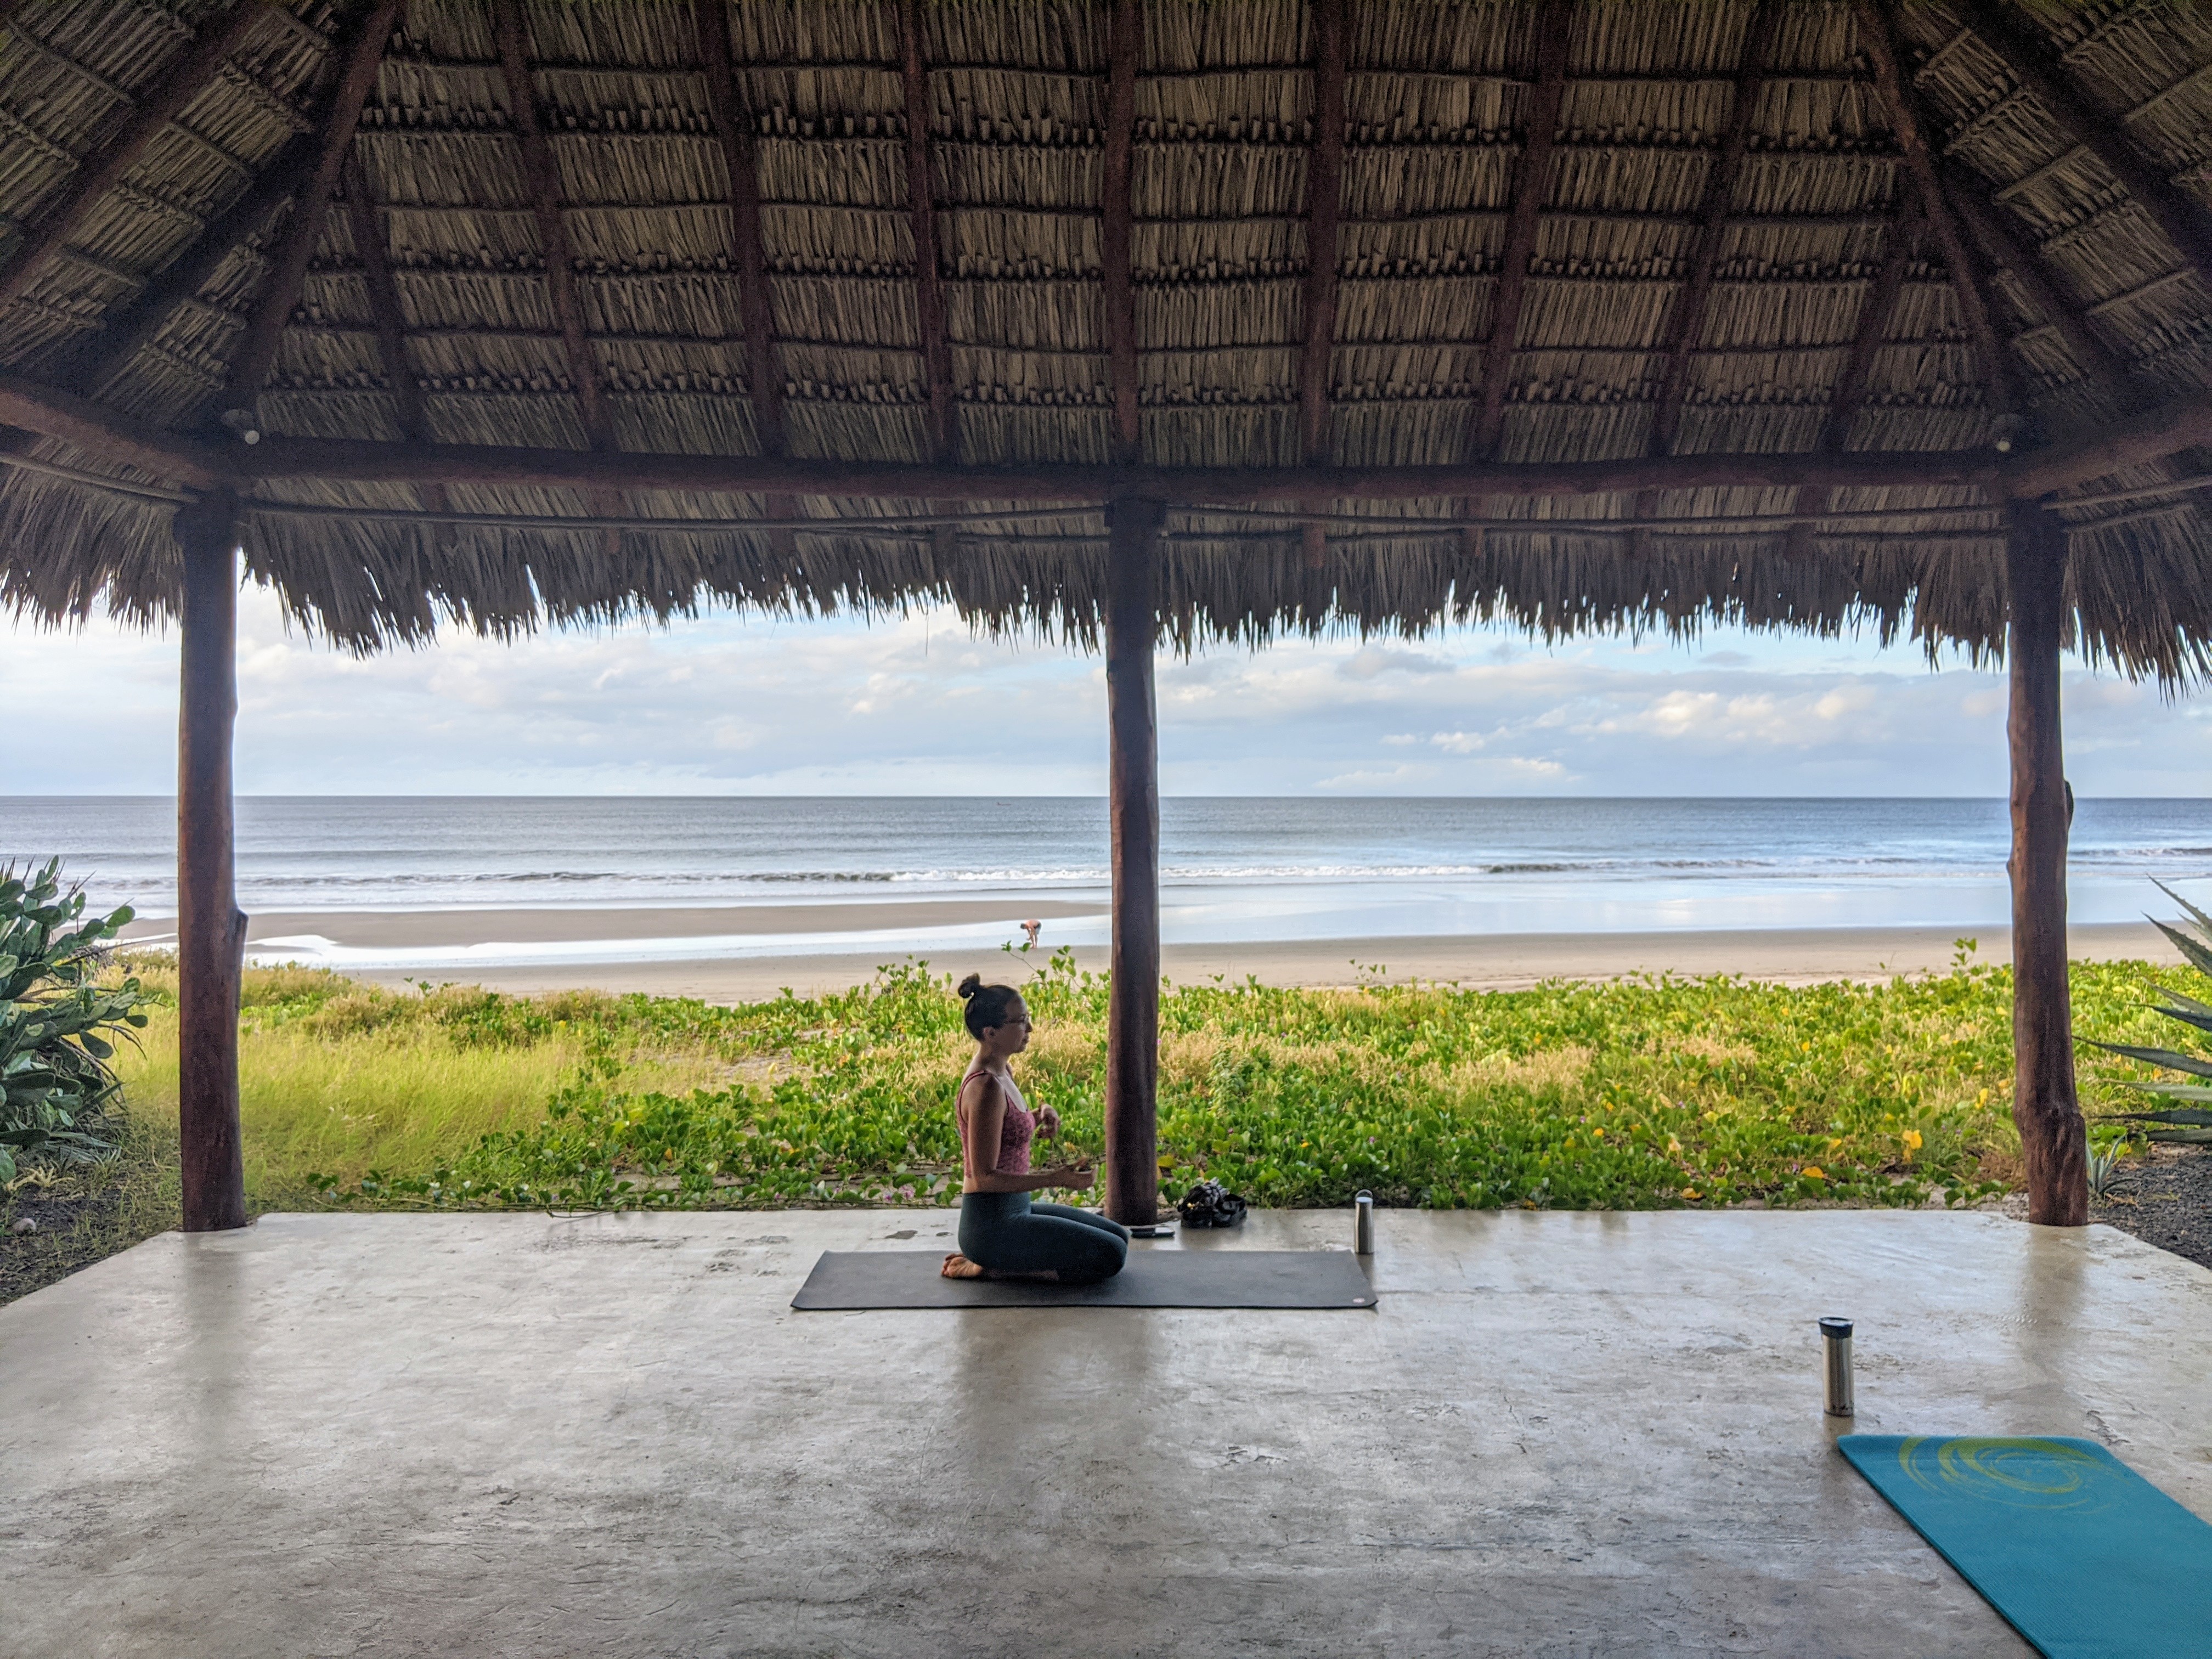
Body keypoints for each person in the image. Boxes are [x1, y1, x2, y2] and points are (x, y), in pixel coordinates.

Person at [941, 973, 1129, 1284]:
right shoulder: (985, 1087)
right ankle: (993, 1267)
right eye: (1021, 1021)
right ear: (990, 1033)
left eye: (1028, 1018)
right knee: (1111, 1255)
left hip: (1018, 1208)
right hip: (991, 1226)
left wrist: (1040, 1114)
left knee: (1119, 1235)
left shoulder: (1003, 1070)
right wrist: (1057, 1179)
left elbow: (1002, 1126)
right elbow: (984, 1177)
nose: (1030, 1029)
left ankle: (993, 1262)